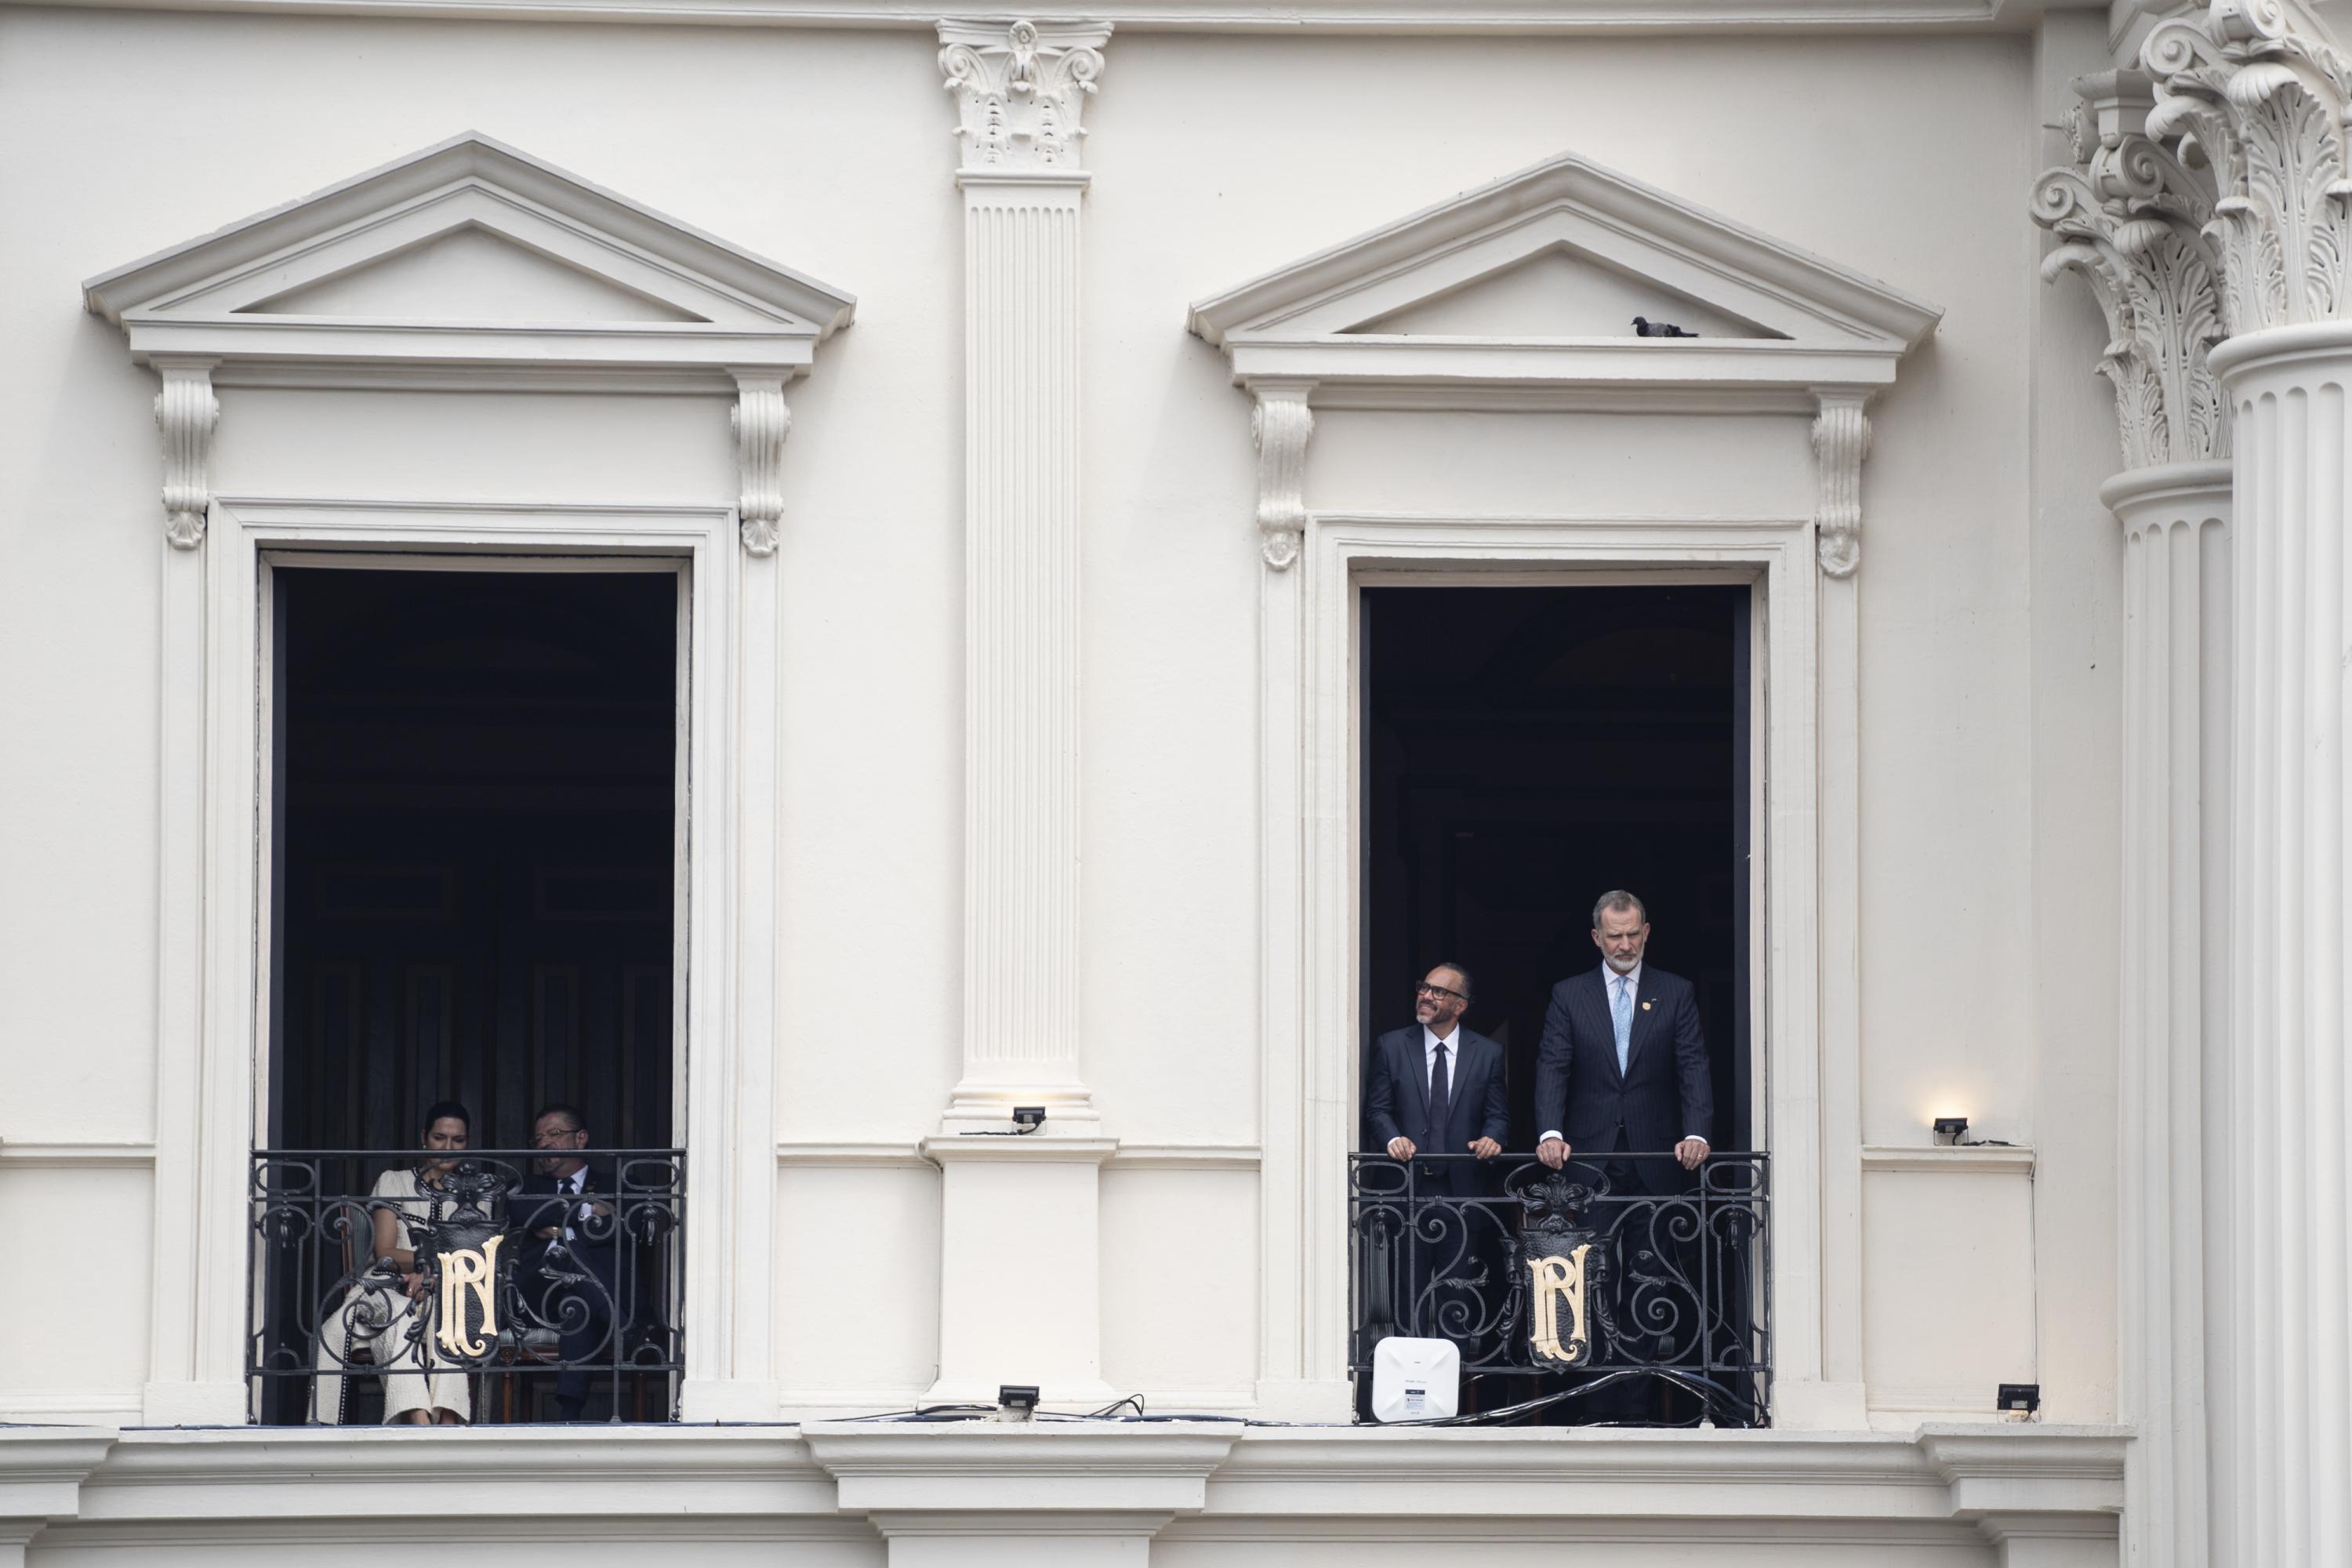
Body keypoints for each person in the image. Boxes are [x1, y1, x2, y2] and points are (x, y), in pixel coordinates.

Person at [310, 1102, 478, 1425]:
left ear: (467, 1143)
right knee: (401, 1320)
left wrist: (432, 1274)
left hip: (447, 1288)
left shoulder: (477, 1193)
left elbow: (477, 1256)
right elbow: (386, 1252)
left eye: (458, 1140)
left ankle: (443, 1416)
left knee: (449, 1319)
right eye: (439, 1137)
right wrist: (430, 1262)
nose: (447, 1148)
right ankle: (423, 1419)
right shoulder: (394, 1181)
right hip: (387, 1284)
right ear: (423, 1139)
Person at [511, 1102, 620, 1422]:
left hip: (582, 1294)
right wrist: (586, 1212)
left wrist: (559, 1226)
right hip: (535, 1293)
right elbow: (522, 1213)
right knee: (571, 1264)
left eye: (555, 1134)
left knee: (578, 1302)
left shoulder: (614, 1183)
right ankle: (621, 1321)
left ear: (581, 1138)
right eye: (539, 1138)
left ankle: (569, 1411)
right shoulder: (528, 1186)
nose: (544, 1143)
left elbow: (629, 1226)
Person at [1365, 962, 1509, 1196]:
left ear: (1460, 1006)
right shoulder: (1391, 1047)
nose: (1426, 996)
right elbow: (1377, 1109)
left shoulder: (1488, 1053)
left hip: (1465, 1192)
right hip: (1402, 1187)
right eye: (1424, 988)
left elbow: (1498, 1116)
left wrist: (1491, 1138)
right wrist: (1392, 1139)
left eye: (1439, 992)